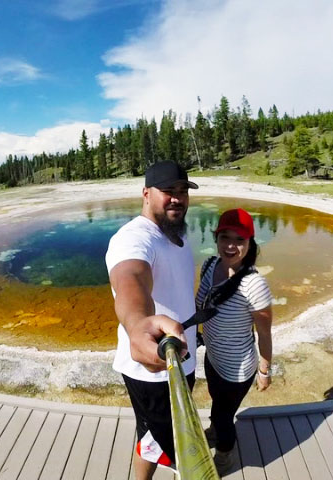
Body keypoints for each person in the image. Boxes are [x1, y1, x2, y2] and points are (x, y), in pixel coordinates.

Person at [105, 160, 199, 480]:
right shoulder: (132, 238)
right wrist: (137, 325)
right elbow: (130, 277)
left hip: (179, 361)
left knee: (152, 436)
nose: (177, 198)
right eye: (168, 191)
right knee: (166, 446)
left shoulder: (176, 234)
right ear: (146, 194)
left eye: (183, 191)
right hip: (153, 371)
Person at [195, 208, 273, 475]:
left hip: (238, 369)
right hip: (213, 357)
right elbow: (200, 306)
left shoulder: (254, 284)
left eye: (239, 239)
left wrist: (265, 371)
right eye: (224, 237)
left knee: (224, 415)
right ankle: (215, 430)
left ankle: (224, 455)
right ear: (216, 238)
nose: (230, 245)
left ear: (250, 242)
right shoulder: (209, 266)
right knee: (216, 402)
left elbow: (264, 333)